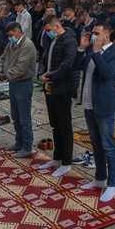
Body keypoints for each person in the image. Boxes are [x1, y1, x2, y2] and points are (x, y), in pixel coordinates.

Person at [74, 23, 115, 202]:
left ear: (106, 37)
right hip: (89, 105)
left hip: (104, 107)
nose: (93, 36)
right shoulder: (90, 51)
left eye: (96, 34)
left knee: (108, 145)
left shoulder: (114, 54)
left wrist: (95, 52)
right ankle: (100, 179)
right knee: (96, 145)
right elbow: (76, 65)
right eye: (92, 33)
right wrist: (82, 47)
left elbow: (107, 73)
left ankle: (112, 184)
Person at [38, 15, 81, 173]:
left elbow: (66, 66)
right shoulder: (53, 40)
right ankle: (57, 158)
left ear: (56, 26)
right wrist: (40, 75)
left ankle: (66, 162)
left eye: (49, 30)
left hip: (63, 88)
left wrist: (48, 76)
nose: (48, 33)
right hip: (50, 88)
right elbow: (43, 60)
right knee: (55, 125)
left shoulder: (70, 41)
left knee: (64, 126)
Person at [0, 21, 39, 153]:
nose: (9, 37)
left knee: (24, 117)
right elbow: (2, 59)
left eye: (11, 35)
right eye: (8, 35)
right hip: (13, 84)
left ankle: (27, 146)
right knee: (16, 115)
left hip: (23, 84)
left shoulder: (27, 45)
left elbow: (20, 68)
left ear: (18, 32)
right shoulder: (12, 44)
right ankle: (19, 142)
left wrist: (5, 76)